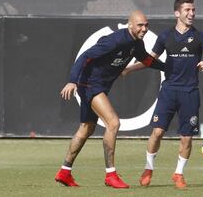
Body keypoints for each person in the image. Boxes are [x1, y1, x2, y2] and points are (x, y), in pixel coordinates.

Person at [55, 10, 165, 189]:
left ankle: (64, 172)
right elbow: (85, 56)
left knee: (86, 129)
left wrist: (170, 67)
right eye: (140, 25)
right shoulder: (115, 40)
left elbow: (147, 60)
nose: (144, 28)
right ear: (130, 25)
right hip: (89, 84)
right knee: (113, 123)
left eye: (146, 25)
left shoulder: (137, 43)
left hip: (96, 85)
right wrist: (72, 81)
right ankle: (110, 175)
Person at [123, 0, 203, 189]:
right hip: (169, 91)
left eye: (193, 10)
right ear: (177, 13)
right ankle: (148, 169)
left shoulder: (200, 36)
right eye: (187, 10)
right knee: (157, 132)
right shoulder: (165, 36)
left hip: (190, 93)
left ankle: (179, 174)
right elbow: (150, 60)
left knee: (187, 137)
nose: (191, 14)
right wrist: (128, 69)